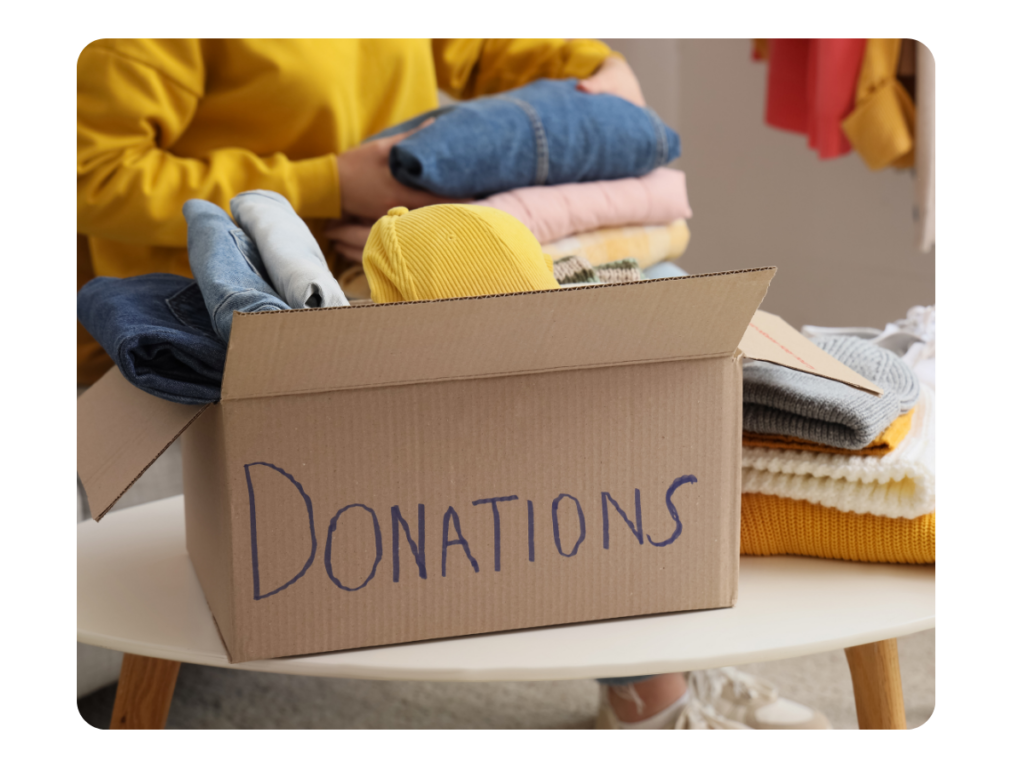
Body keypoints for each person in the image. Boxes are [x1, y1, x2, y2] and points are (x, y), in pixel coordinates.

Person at [76, 37, 827, 730]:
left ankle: (667, 654)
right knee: (546, 380)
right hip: (250, 295)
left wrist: (590, 67)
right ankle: (653, 692)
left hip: (385, 249)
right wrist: (332, 182)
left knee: (645, 314)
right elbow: (95, 170)